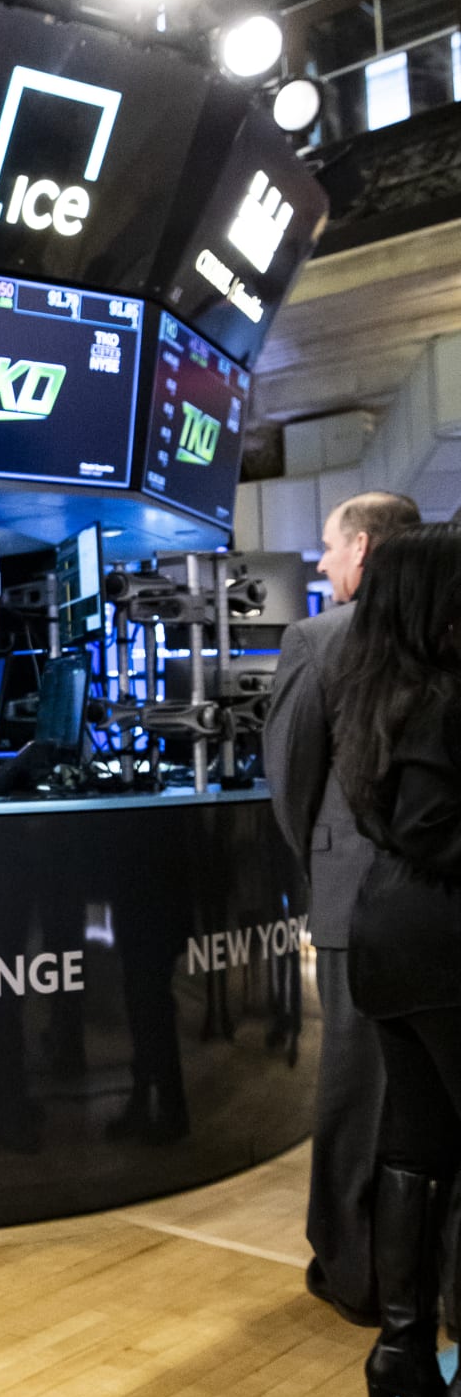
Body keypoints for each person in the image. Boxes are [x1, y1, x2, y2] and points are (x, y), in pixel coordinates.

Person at [264, 490, 421, 1322]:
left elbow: (291, 782)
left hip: (354, 904)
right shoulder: (441, 638)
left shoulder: (318, 641)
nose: (321, 563)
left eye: (328, 547)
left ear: (361, 548)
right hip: (433, 902)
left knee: (356, 1097)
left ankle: (351, 1270)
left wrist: (322, 864)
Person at [331, 525, 461, 1397]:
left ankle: (402, 1352)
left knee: (418, 1150)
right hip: (448, 942)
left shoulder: (376, 688)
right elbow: (435, 830)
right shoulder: (447, 698)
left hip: (389, 937)